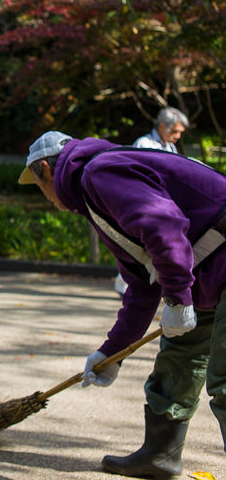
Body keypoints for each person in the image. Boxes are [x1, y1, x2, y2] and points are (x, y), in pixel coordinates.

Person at [18, 131, 226, 478]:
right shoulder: (96, 191)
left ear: (44, 169)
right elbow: (141, 286)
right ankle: (160, 455)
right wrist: (111, 352)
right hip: (209, 273)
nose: (43, 196)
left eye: (38, 185)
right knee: (178, 359)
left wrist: (177, 296)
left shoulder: (101, 173)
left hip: (214, 265)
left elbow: (164, 225)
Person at [112, 106, 194, 296]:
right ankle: (126, 286)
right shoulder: (144, 144)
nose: (178, 136)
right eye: (175, 132)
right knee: (139, 247)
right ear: (163, 126)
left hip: (164, 204)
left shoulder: (171, 147)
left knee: (151, 248)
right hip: (147, 204)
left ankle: (130, 286)